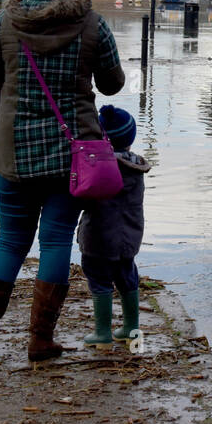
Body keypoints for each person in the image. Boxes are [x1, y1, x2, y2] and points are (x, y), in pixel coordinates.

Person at [0, 0, 125, 364]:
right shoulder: (93, 24)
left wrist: (1, 134)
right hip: (72, 160)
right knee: (55, 241)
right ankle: (40, 341)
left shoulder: (3, 24)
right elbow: (112, 85)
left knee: (10, 242)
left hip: (13, 153)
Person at [77, 105, 149, 347]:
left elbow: (84, 199)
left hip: (99, 239)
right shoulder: (137, 168)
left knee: (99, 281)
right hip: (129, 238)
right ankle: (130, 328)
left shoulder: (99, 167)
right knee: (128, 278)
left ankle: (102, 333)